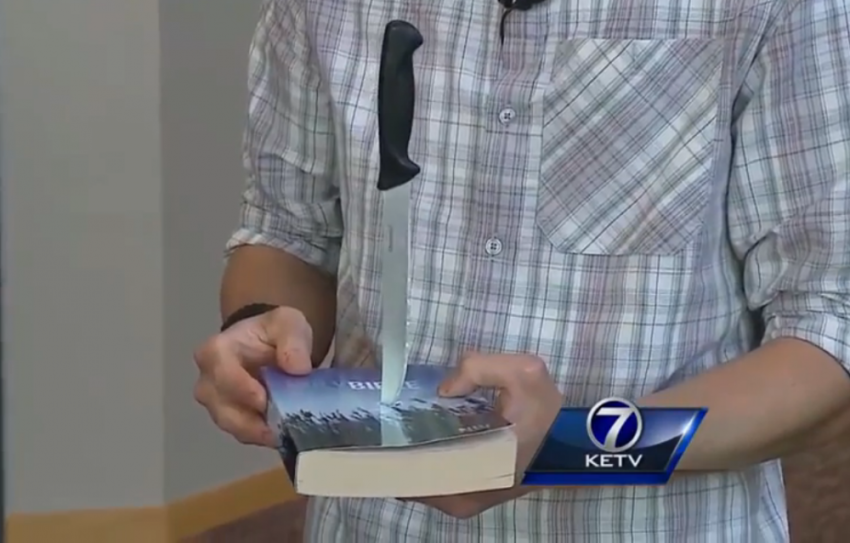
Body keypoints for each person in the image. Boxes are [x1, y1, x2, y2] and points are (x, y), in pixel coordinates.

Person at [192, 0, 850, 540]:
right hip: (369, 520)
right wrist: (258, 329)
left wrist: (571, 446)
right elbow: (287, 230)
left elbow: (828, 337)